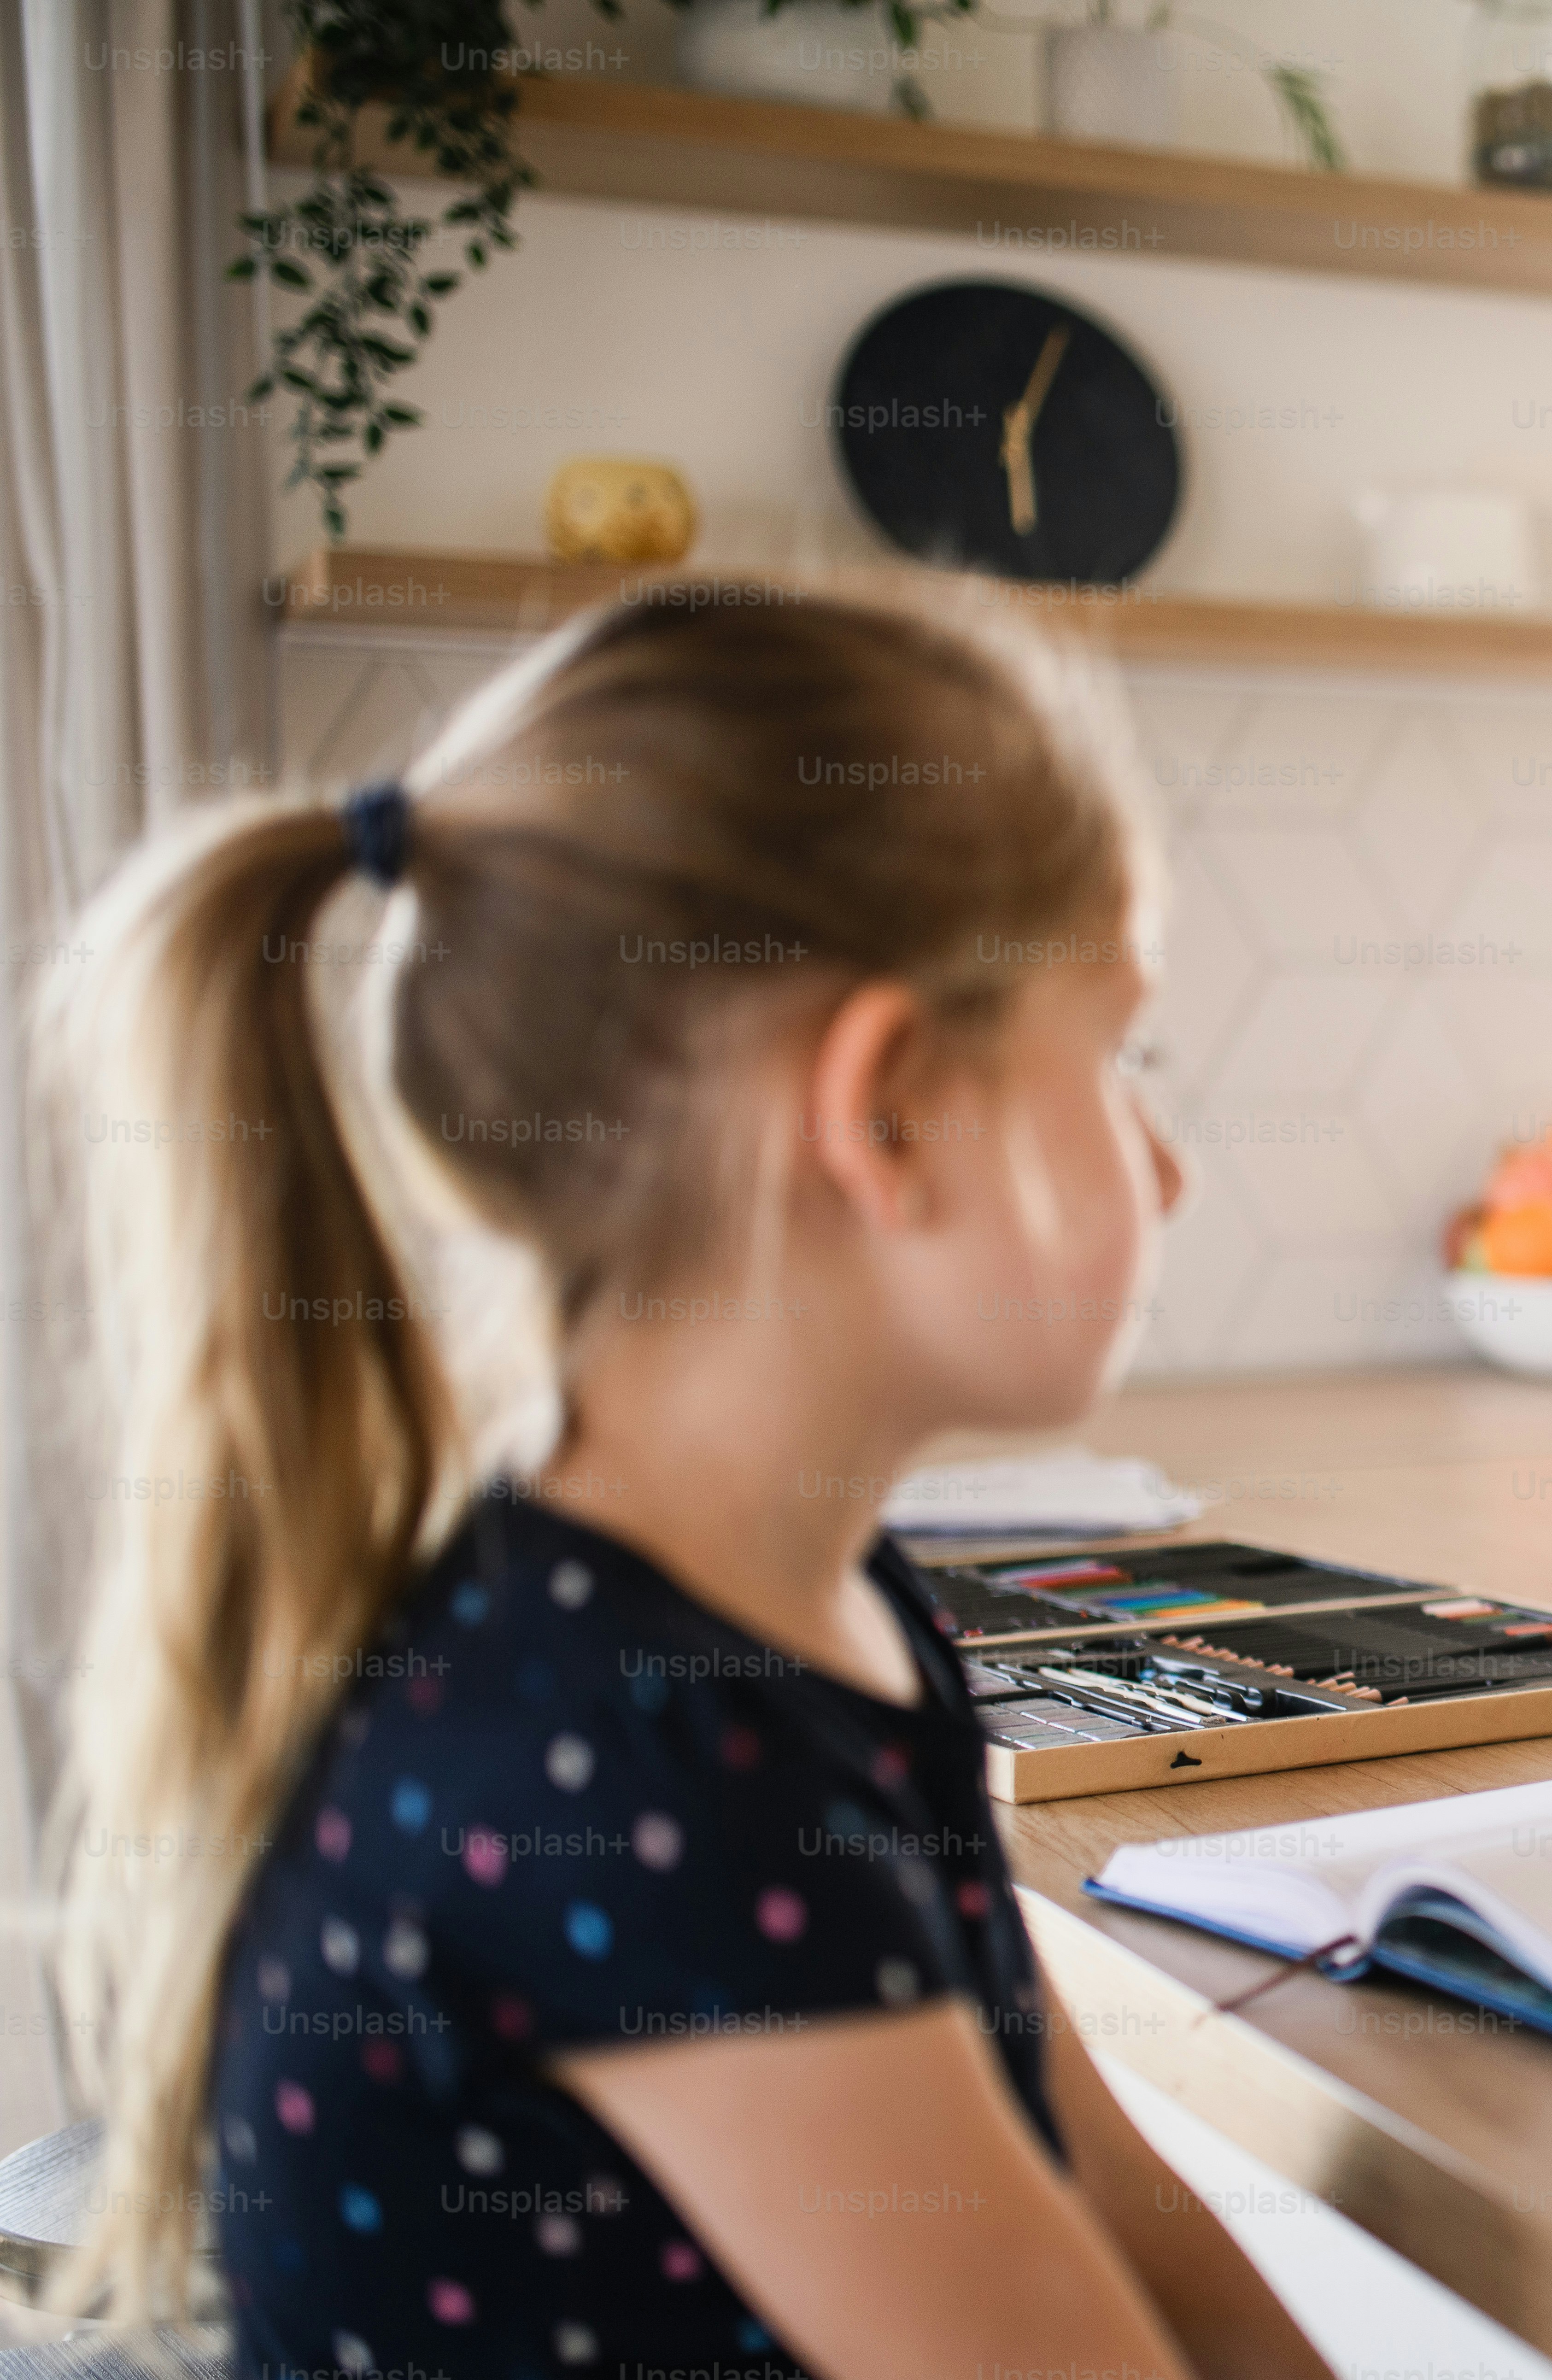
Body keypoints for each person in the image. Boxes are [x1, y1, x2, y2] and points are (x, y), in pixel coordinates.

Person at [49, 595, 1330, 2378]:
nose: (1168, 1169)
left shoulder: (810, 1601)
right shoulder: (649, 1756)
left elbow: (1097, 2178)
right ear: (884, 1109)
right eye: (1121, 1054)